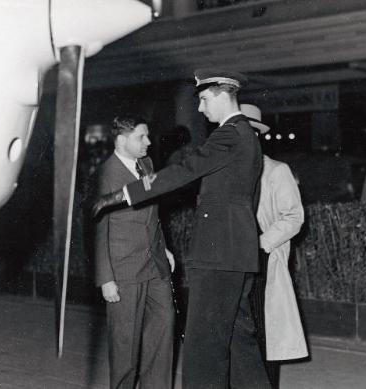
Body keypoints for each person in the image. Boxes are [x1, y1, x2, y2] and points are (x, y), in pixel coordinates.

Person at [93, 69, 270, 389]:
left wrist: (123, 194)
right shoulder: (247, 138)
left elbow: (186, 169)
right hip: (237, 250)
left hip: (219, 253)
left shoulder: (229, 134)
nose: (200, 109)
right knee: (238, 339)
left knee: (205, 344)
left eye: (203, 100)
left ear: (220, 94)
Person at [94, 115, 176, 389]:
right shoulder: (104, 175)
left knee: (163, 331)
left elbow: (154, 215)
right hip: (124, 270)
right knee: (125, 345)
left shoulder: (147, 165)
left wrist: (164, 249)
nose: (148, 142)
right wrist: (106, 278)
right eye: (141, 137)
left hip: (155, 265)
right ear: (121, 140)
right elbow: (98, 229)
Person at [241, 104, 309, 387]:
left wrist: (261, 244)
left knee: (264, 334)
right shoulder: (229, 173)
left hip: (262, 262)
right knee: (239, 336)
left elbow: (294, 216)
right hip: (235, 261)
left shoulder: (277, 171)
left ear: (255, 135)